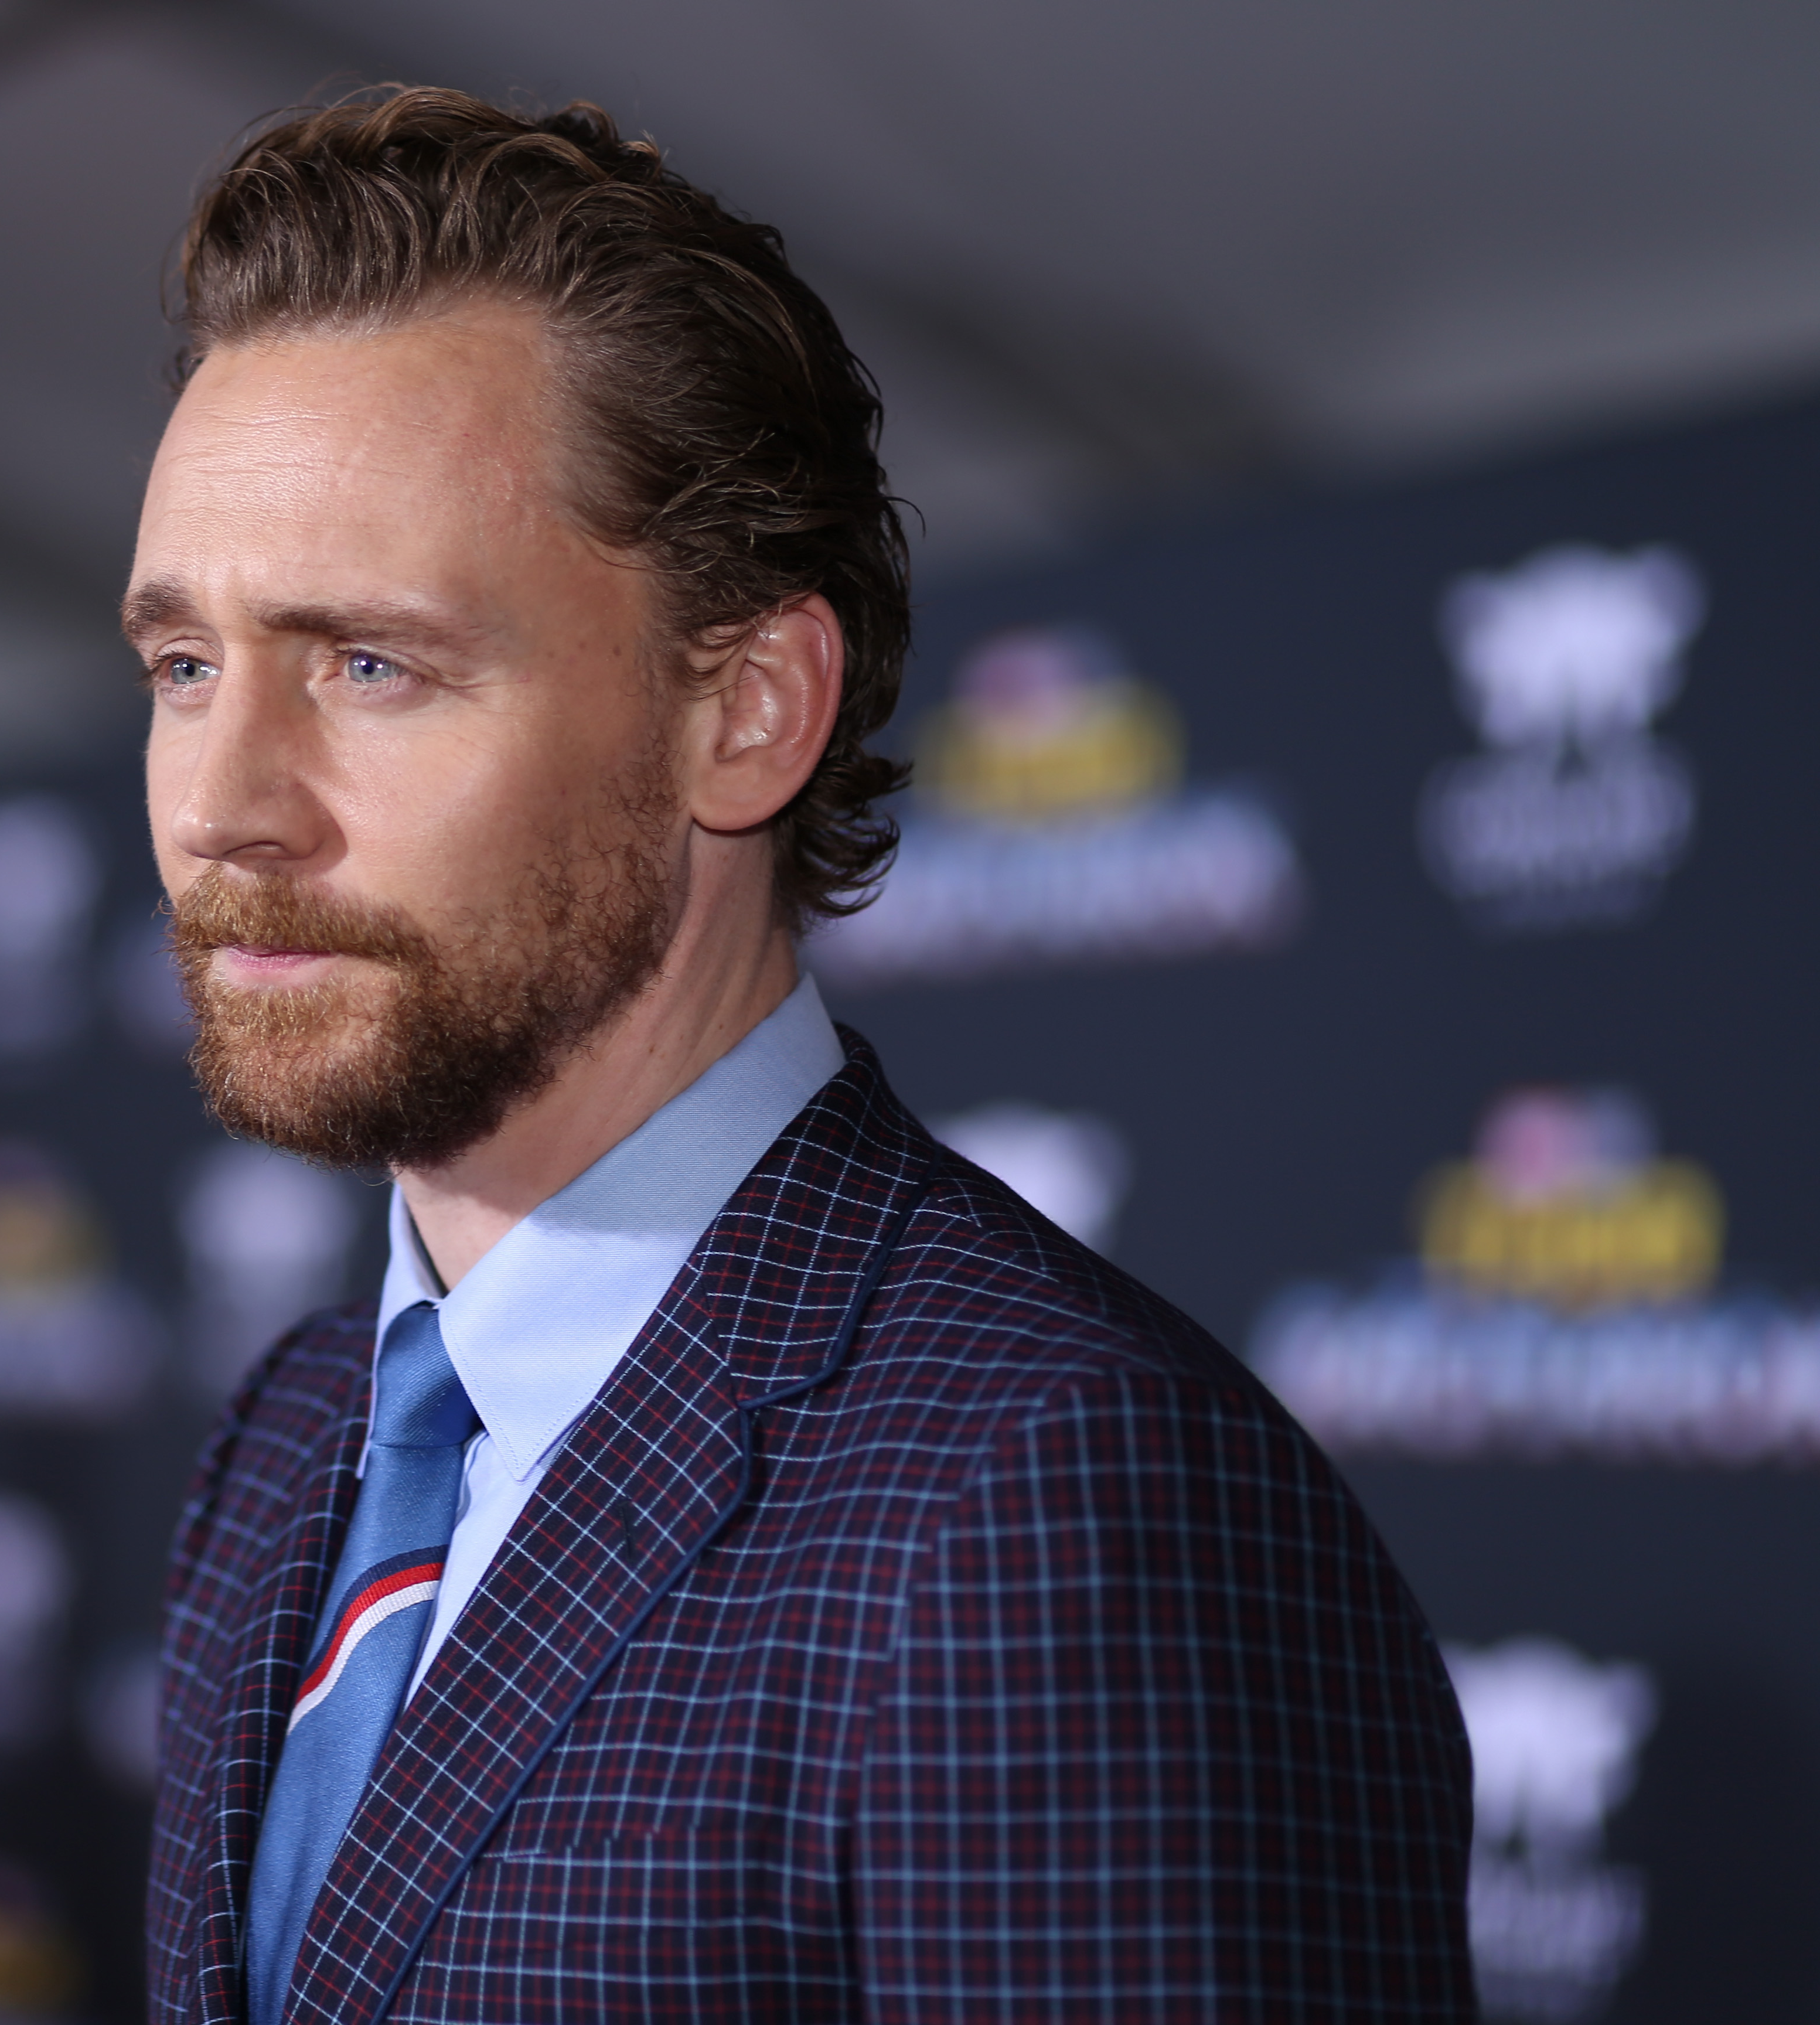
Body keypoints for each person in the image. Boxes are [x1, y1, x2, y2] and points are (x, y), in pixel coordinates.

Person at [128, 88, 1474, 2023]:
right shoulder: (288, 1436)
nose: (223, 806)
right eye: (185, 667)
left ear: (747, 712)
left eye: (369, 665)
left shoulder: (1048, 1500)